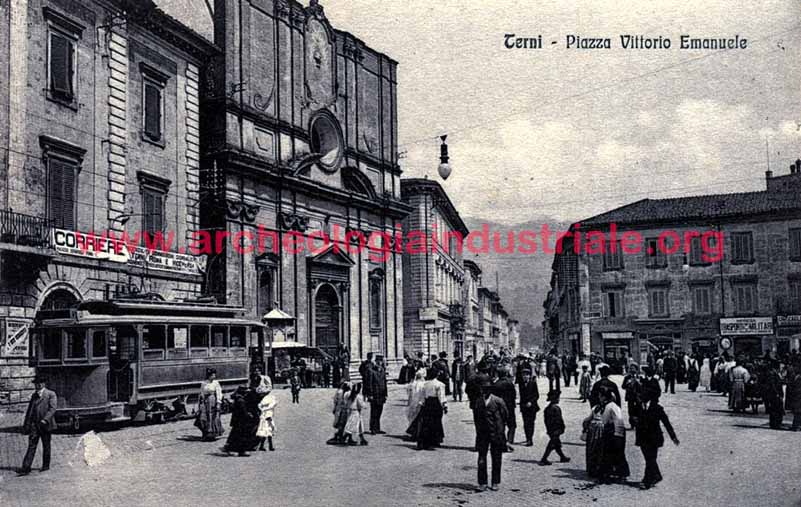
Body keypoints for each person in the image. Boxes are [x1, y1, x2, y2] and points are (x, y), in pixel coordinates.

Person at [635, 383, 679, 489]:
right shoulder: (639, 407)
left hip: (654, 438)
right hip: (642, 437)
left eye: (642, 396)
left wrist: (673, 437)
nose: (639, 397)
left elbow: (666, 423)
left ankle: (647, 481)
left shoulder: (657, 408)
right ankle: (657, 476)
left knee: (650, 458)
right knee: (649, 458)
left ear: (648, 397)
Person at [473, 374, 508, 492]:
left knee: (496, 458)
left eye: (487, 389)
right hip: (483, 434)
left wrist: (500, 430)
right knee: (481, 459)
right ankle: (482, 482)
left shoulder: (498, 401)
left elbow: (505, 416)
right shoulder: (478, 402)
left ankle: (495, 482)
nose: (484, 392)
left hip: (496, 434)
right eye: (482, 389)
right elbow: (476, 419)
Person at [19, 376, 57, 475]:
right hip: (35, 425)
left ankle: (45, 465)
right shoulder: (34, 396)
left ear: (44, 384)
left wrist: (45, 419)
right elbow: (30, 411)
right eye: (36, 383)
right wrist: (27, 424)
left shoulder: (50, 394)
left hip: (45, 425)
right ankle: (26, 467)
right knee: (31, 445)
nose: (38, 385)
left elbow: (52, 409)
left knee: (46, 445)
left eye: (40, 383)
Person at [598, 386, 630, 483]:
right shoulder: (611, 406)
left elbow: (611, 420)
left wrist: (618, 435)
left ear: (604, 397)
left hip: (614, 432)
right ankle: (614, 473)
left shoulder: (610, 407)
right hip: (614, 431)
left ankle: (618, 474)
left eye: (600, 396)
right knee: (613, 453)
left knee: (614, 453)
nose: (599, 398)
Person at [416, 368, 447, 450]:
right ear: (437, 375)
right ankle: (435, 440)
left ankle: (425, 442)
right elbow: (441, 396)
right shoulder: (440, 384)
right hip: (436, 404)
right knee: (436, 422)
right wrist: (444, 405)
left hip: (427, 403)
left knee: (426, 423)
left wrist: (421, 403)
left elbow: (422, 396)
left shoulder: (425, 384)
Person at [224, 386, 258, 457]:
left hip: (238, 421)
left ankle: (239, 450)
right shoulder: (240, 400)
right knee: (239, 436)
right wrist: (249, 415)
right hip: (240, 421)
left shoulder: (238, 398)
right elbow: (243, 411)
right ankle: (238, 450)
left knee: (238, 435)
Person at [539, 390, 570, 465]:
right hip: (555, 430)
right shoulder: (556, 408)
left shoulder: (547, 408)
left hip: (551, 430)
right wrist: (561, 428)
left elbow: (546, 421)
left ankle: (562, 457)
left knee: (556, 444)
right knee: (552, 444)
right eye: (558, 398)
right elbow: (559, 420)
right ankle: (544, 459)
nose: (559, 399)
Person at [195, 368, 224, 441]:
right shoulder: (204, 383)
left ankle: (212, 434)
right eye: (212, 375)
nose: (214, 376)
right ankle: (205, 433)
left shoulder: (216, 383)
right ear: (209, 376)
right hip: (205, 401)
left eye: (214, 375)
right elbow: (201, 393)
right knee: (203, 417)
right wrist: (200, 403)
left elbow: (219, 393)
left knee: (212, 417)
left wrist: (218, 402)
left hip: (212, 400)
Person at [493, 366, 517, 452]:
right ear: (506, 374)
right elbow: (514, 395)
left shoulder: (496, 384)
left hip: (499, 408)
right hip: (510, 407)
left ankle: (503, 443)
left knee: (501, 426)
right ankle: (509, 441)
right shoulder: (510, 383)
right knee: (512, 425)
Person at [582, 399, 606, 479]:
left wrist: (585, 428)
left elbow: (588, 419)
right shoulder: (608, 408)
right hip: (601, 429)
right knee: (600, 450)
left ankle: (591, 469)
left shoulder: (595, 407)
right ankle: (599, 469)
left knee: (592, 449)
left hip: (593, 428)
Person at [518, 368, 540, 446]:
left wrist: (531, 402)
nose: (525, 377)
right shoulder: (521, 384)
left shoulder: (533, 383)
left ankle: (530, 438)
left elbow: (536, 395)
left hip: (532, 407)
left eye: (526, 375)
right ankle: (528, 439)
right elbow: (521, 396)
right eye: (523, 375)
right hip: (524, 406)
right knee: (525, 423)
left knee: (531, 423)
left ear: (529, 376)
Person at [367, 355, 388, 435]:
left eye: (380, 361)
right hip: (374, 394)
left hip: (381, 394)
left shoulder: (382, 370)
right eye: (378, 361)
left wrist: (386, 393)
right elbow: (369, 384)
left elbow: (384, 383)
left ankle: (378, 428)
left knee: (379, 411)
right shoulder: (371, 371)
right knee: (374, 412)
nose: (379, 363)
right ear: (375, 362)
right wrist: (370, 394)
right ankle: (373, 428)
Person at [763, 360, 785, 430]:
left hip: (777, 394)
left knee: (777, 409)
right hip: (774, 395)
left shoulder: (777, 373)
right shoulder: (772, 373)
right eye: (781, 367)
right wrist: (777, 393)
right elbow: (772, 385)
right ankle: (774, 424)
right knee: (775, 409)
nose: (782, 369)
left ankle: (776, 423)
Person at [405, 370, 427, 439]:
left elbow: (408, 393)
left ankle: (412, 433)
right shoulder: (423, 384)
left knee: (412, 417)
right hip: (419, 402)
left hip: (412, 402)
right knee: (418, 418)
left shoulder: (412, 384)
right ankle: (417, 433)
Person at [256, 386, 277, 451]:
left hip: (264, 417)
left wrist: (262, 410)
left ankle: (264, 446)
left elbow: (260, 405)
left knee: (266, 433)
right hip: (267, 417)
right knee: (268, 432)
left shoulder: (265, 399)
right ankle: (269, 446)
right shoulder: (269, 400)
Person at [621, 364, 643, 429]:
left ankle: (639, 424)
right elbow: (623, 386)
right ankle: (632, 425)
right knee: (631, 410)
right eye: (630, 368)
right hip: (630, 396)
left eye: (633, 368)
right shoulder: (627, 378)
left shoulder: (640, 377)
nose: (631, 370)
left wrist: (639, 383)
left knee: (639, 410)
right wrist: (627, 383)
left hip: (638, 397)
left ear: (636, 370)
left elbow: (643, 387)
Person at [785, 359, 801, 431]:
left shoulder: (799, 377)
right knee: (797, 412)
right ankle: (796, 425)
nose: (794, 369)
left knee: (797, 412)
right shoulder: (795, 376)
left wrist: (795, 391)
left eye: (796, 367)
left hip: (798, 397)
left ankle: (795, 426)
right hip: (796, 397)